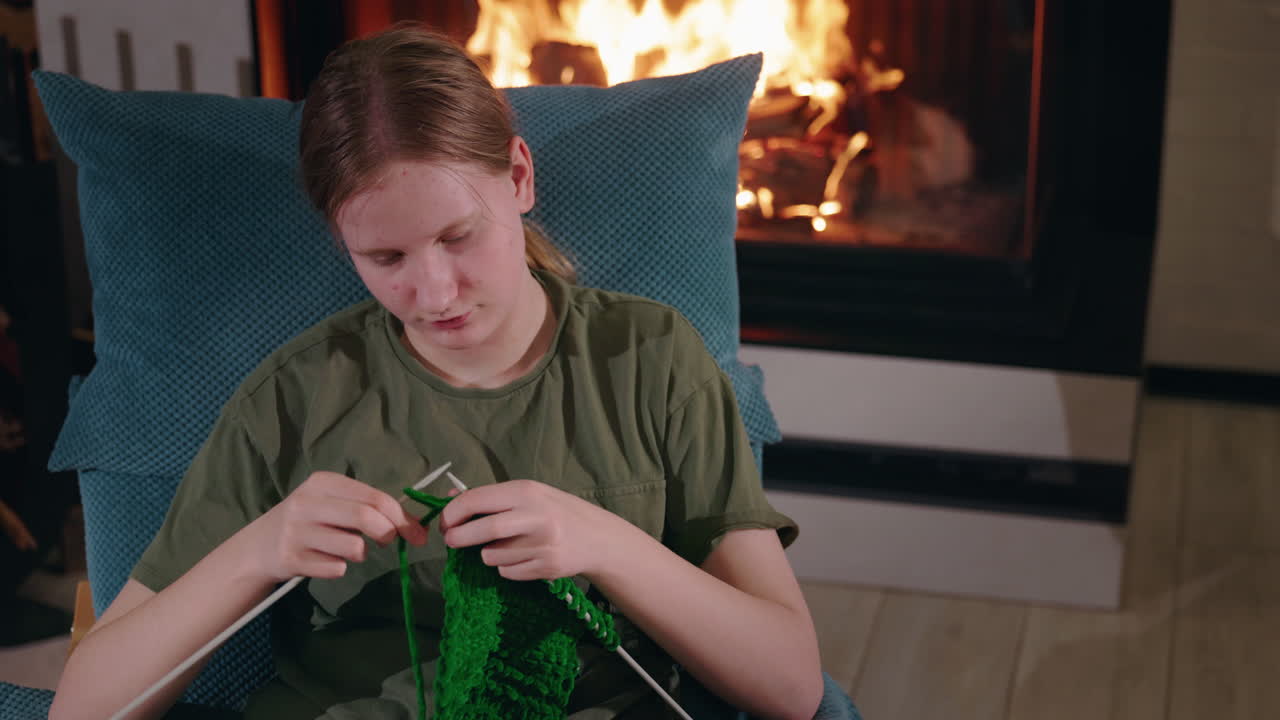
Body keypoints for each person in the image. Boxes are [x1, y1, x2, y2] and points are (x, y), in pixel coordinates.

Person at [49, 24, 828, 720]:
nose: (435, 294)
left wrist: (608, 545)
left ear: (518, 177)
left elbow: (792, 687)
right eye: (386, 258)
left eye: (459, 238)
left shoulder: (648, 358)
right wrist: (257, 551)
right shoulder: (295, 395)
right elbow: (83, 708)